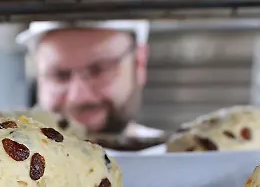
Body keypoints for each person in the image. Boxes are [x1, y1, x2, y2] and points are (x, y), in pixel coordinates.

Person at [16, 20, 163, 142]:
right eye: (59, 75)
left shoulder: (170, 160)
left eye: (99, 70)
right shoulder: (14, 164)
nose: (78, 97)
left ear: (139, 64)